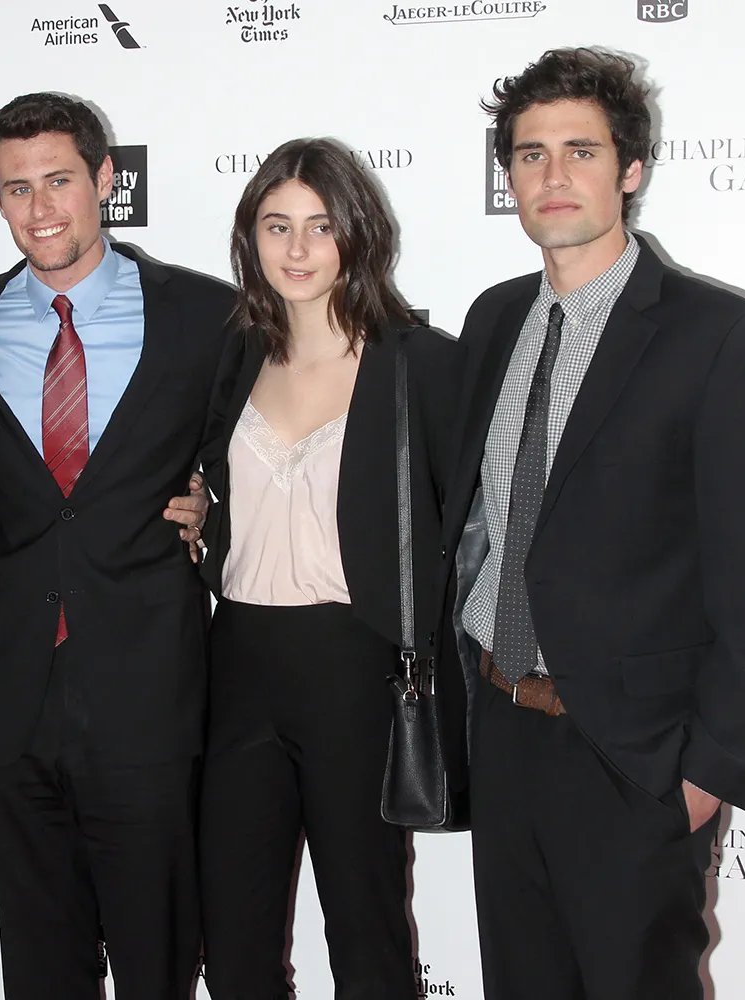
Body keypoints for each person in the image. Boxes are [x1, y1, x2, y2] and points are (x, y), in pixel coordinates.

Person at [440, 47, 745, 999]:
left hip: (635, 756)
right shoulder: (490, 322)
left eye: (580, 151)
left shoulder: (720, 337)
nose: (553, 176)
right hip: (503, 728)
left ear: (631, 170)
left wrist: (707, 776)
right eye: (529, 155)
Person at [0, 92, 234, 999]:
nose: (40, 209)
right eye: (16, 188)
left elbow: (265, 462)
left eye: (60, 180)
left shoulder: (205, 316)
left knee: (157, 959)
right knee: (38, 966)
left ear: (106, 179)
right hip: (13, 699)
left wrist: (210, 507)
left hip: (148, 692)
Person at [194, 138, 462, 998]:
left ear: (359, 233)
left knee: (367, 928)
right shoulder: (230, 354)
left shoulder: (419, 362)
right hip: (236, 663)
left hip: (358, 666)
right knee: (233, 938)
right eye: (277, 226)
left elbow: (468, 530)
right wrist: (197, 517)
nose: (298, 250)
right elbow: (211, 494)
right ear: (251, 238)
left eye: (320, 226)